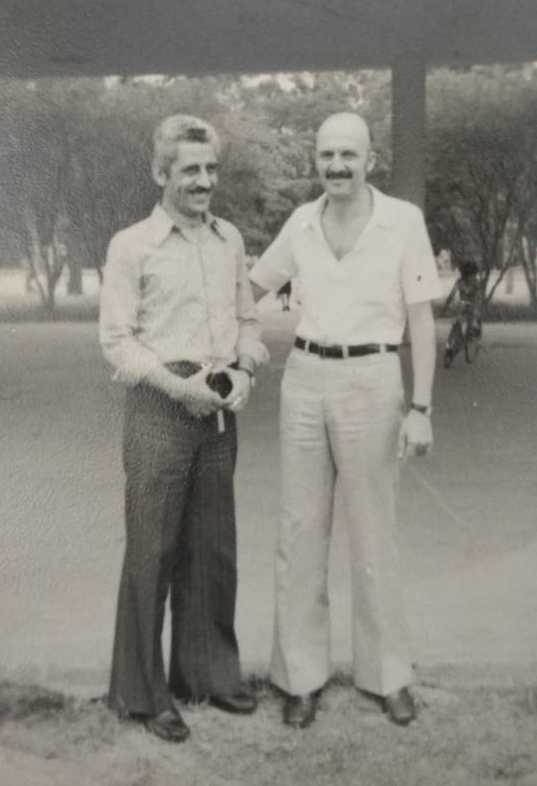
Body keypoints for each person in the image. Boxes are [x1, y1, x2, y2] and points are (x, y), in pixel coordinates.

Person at [249, 112, 442, 729]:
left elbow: (420, 321)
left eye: (348, 155)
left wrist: (421, 408)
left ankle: (388, 677)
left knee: (373, 534)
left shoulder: (402, 221)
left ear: (370, 158)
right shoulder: (301, 223)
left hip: (373, 379)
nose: (337, 166)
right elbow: (250, 285)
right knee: (300, 532)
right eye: (327, 155)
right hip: (305, 378)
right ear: (316, 159)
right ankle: (298, 678)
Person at [99, 115, 268, 743]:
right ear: (160, 173)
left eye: (210, 169)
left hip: (219, 408)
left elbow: (249, 321)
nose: (204, 181)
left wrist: (247, 367)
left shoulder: (229, 241)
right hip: (158, 409)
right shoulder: (131, 245)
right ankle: (140, 695)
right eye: (190, 170)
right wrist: (179, 386)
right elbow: (117, 342)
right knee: (154, 551)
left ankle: (208, 677)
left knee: (212, 551)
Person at [442, 259, 483, 367]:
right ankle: (451, 349)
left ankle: (453, 351)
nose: (473, 277)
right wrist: (447, 305)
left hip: (468, 308)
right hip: (465, 308)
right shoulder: (467, 283)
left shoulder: (466, 282)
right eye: (472, 275)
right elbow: (452, 295)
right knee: (457, 329)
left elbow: (478, 299)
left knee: (468, 327)